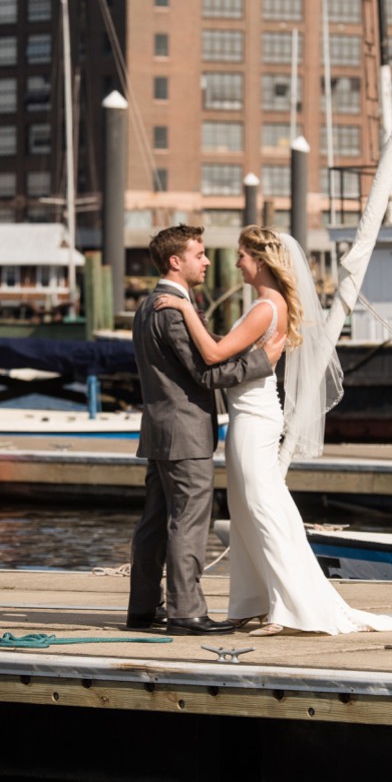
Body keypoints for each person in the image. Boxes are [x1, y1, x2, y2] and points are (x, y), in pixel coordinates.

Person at [156, 226, 392, 636]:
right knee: (246, 511)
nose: (236, 263)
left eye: (242, 255)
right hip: (246, 414)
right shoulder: (264, 304)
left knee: (264, 510)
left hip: (255, 418)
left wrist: (183, 308)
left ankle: (288, 610)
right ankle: (254, 601)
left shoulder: (267, 307)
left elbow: (212, 354)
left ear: (260, 261)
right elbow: (225, 351)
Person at [127, 224, 284, 636]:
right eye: (200, 254)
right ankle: (186, 612)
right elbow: (205, 374)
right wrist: (262, 362)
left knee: (155, 521)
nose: (208, 261)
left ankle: (143, 609)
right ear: (176, 262)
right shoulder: (172, 308)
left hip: (159, 431)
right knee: (188, 522)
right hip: (185, 433)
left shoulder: (147, 306)